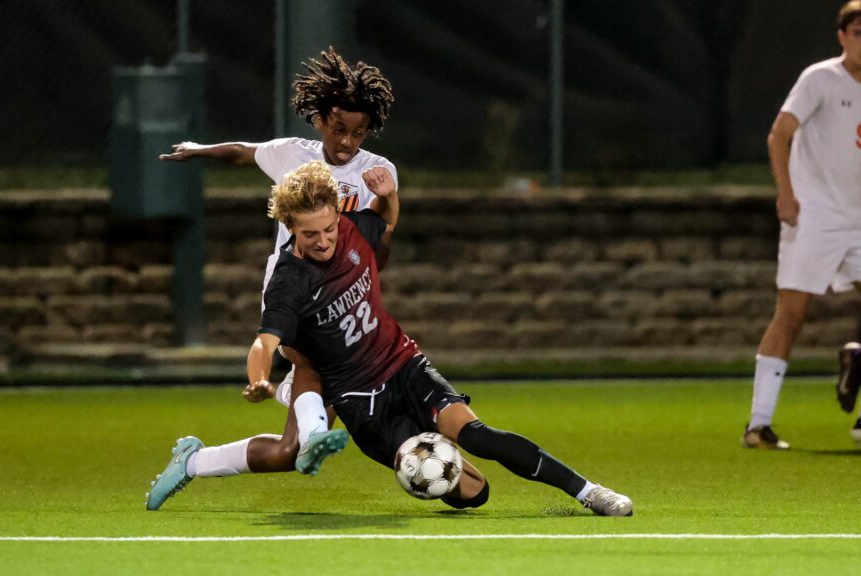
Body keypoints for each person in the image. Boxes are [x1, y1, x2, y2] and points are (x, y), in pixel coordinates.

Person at [153, 161, 634, 516]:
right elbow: (264, 341)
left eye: (328, 228)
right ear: (289, 228)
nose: (323, 240)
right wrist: (258, 379)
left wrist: (389, 195)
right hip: (360, 400)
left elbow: (386, 220)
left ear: (337, 215)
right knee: (473, 494)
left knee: (477, 435)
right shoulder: (289, 281)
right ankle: (209, 453)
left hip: (402, 363)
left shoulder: (352, 227)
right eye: (310, 234)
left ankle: (589, 492)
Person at [146, 47, 398, 510]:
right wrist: (199, 150)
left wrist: (388, 200)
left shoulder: (376, 173)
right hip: (293, 288)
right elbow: (244, 153)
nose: (347, 141)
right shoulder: (293, 155)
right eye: (338, 128)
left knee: (289, 452)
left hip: (343, 296)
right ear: (319, 119)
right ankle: (310, 417)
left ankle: (194, 461)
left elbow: (379, 249)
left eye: (357, 133)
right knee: (311, 355)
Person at [744, 0, 861, 450]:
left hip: (858, 217)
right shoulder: (821, 78)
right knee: (791, 314)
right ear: (842, 36)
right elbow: (780, 133)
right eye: (857, 32)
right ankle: (758, 426)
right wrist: (786, 194)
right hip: (816, 215)